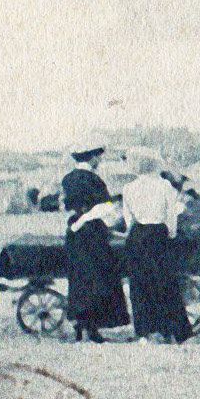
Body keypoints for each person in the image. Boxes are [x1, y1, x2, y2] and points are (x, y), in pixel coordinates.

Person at [60, 146, 128, 343]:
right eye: (98, 156)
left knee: (79, 278)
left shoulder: (68, 178)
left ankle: (79, 325)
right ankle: (93, 327)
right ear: (91, 158)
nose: (99, 160)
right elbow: (105, 207)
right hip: (92, 232)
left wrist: (79, 220)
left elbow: (67, 205)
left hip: (74, 232)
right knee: (98, 276)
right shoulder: (94, 180)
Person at [121, 155, 191, 345]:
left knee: (139, 284)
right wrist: (171, 234)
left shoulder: (128, 187)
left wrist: (133, 231)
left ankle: (145, 331)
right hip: (157, 234)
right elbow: (171, 217)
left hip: (137, 236)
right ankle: (168, 329)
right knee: (163, 282)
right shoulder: (166, 187)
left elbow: (128, 218)